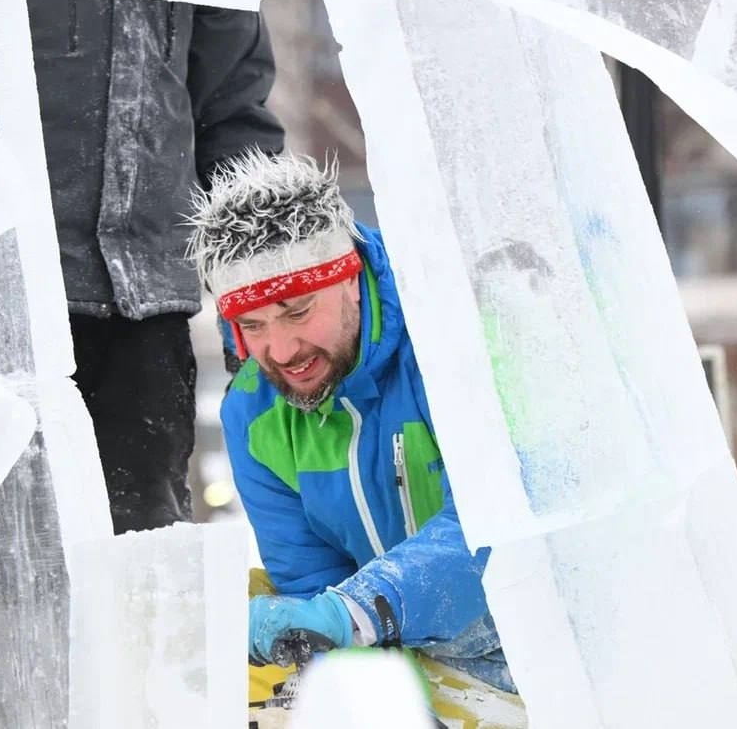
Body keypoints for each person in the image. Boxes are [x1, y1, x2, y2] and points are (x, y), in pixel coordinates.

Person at [0, 0, 285, 728]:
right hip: (0, 297)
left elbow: (233, 113)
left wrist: (257, 282)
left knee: (138, 557)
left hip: (145, 302)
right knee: (1, 564)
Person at [186, 151, 515, 694]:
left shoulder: (458, 343)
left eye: (297, 311)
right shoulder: (256, 415)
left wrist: (353, 614)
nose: (282, 350)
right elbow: (310, 582)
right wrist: (325, 642)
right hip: (416, 663)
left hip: (559, 653)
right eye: (253, 324)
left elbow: (502, 528)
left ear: (350, 278)